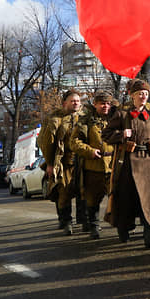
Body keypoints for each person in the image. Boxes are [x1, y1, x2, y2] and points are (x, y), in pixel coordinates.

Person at [103, 80, 150, 248]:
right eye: (140, 93)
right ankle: (123, 230)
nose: (143, 96)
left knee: (149, 199)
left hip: (148, 162)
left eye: (146, 94)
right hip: (127, 162)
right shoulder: (122, 115)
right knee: (125, 198)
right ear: (132, 96)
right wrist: (122, 134)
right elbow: (105, 134)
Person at [70, 91, 115, 239]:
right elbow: (74, 142)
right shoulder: (85, 121)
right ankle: (94, 225)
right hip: (93, 166)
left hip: (113, 165)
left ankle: (122, 225)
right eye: (102, 103)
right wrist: (89, 151)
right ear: (95, 104)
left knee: (117, 196)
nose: (105, 106)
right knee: (92, 198)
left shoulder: (116, 118)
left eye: (108, 103)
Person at [37, 89, 83, 235]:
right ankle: (65, 221)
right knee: (64, 192)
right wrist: (50, 163)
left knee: (84, 192)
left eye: (78, 101)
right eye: (72, 101)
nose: (76, 103)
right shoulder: (55, 119)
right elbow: (46, 142)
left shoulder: (84, 117)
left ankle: (86, 221)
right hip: (62, 162)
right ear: (65, 103)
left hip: (81, 161)